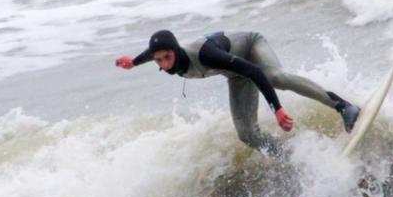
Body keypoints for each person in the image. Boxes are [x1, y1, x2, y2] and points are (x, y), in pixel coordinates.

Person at [115, 30, 360, 156]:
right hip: (237, 74)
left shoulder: (203, 54)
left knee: (275, 77)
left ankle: (344, 107)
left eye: (168, 57)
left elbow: (253, 70)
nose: (165, 64)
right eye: (159, 61)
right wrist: (134, 62)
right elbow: (152, 52)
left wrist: (277, 108)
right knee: (246, 134)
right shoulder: (162, 57)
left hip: (251, 48)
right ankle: (294, 157)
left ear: (176, 50)